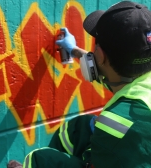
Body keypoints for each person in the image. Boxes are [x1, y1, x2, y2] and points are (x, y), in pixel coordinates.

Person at [8, 1, 151, 167]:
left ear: (100, 55)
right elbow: (116, 74)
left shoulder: (115, 120)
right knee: (79, 128)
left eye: (96, 45)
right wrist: (74, 50)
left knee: (41, 159)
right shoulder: (139, 80)